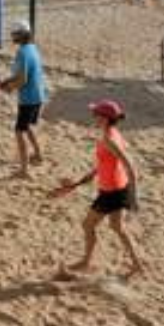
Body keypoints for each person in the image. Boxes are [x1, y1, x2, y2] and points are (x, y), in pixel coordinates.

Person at [47, 99, 143, 280]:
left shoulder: (109, 139)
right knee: (118, 227)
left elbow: (130, 166)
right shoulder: (114, 133)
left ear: (105, 118)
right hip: (118, 187)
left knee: (88, 224)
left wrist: (134, 197)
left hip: (111, 191)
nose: (93, 117)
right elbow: (109, 161)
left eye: (96, 114)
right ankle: (137, 264)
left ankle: (86, 261)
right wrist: (92, 174)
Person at [0, 19, 47, 178]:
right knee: (27, 127)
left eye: (14, 33)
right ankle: (38, 155)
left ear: (20, 34)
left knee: (19, 132)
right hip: (38, 95)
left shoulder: (22, 52)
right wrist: (6, 82)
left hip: (28, 98)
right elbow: (21, 75)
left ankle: (24, 170)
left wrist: (8, 88)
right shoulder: (32, 48)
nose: (12, 36)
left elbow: (22, 79)